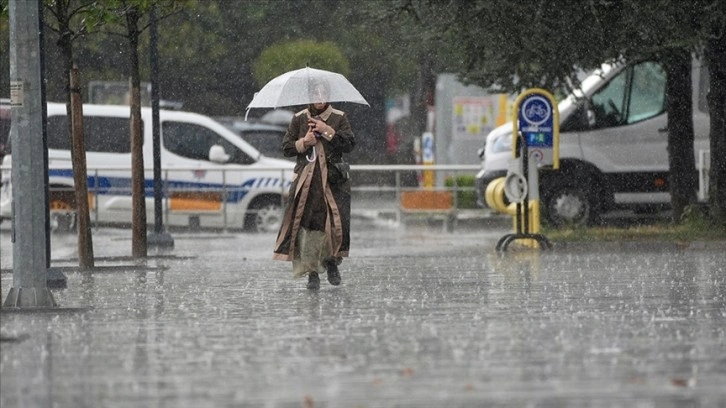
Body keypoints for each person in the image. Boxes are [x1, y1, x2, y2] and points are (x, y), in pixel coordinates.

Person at [273, 80, 356, 290]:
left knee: (334, 225)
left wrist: (327, 130)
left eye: (323, 93)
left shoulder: (339, 117)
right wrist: (304, 142)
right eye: (315, 93)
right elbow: (286, 147)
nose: (319, 97)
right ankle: (311, 272)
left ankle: (332, 263)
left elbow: (349, 144)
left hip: (333, 183)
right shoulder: (299, 119)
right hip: (308, 184)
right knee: (309, 227)